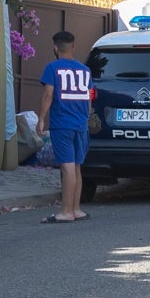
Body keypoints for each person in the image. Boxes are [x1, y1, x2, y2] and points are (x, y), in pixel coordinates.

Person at [37, 31, 92, 223]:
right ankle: (76, 209)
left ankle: (66, 212)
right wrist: (85, 119)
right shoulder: (85, 70)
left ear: (55, 48)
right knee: (76, 167)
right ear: (73, 47)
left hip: (62, 124)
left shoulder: (52, 68)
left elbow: (48, 95)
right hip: (81, 125)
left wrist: (41, 118)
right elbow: (88, 98)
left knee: (66, 167)